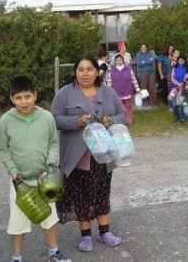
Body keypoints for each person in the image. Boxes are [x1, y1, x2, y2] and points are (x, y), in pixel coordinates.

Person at [50, 54, 127, 253]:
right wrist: (77, 122)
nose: (85, 74)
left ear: (97, 71)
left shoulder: (108, 92)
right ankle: (85, 236)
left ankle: (105, 231)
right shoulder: (65, 93)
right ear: (75, 72)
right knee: (81, 197)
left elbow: (123, 115)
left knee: (102, 194)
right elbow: (54, 119)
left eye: (89, 69)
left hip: (104, 155)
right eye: (81, 70)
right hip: (78, 157)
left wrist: (112, 120)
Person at [0, 76, 71, 262]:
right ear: (12, 99)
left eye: (28, 96)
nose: (24, 102)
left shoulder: (46, 117)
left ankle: (53, 252)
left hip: (44, 180)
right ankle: (16, 258)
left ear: (35, 95)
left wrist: (51, 162)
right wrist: (12, 168)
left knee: (50, 218)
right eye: (19, 98)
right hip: (19, 183)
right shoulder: (6, 120)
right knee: (17, 223)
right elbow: (2, 148)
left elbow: (54, 143)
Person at [107, 53, 140, 125]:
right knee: (119, 110)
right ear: (115, 61)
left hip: (127, 92)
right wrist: (108, 92)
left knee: (128, 108)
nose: (119, 62)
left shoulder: (128, 69)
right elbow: (109, 82)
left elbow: (134, 79)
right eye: (117, 60)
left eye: (120, 60)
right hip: (117, 93)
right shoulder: (111, 70)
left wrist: (137, 88)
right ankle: (121, 122)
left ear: (123, 61)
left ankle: (129, 121)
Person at [170, 55, 188, 122]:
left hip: (183, 88)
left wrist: (182, 83)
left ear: (184, 61)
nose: (181, 62)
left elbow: (187, 77)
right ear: (177, 61)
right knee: (174, 103)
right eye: (180, 60)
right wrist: (177, 84)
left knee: (182, 103)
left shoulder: (186, 68)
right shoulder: (174, 68)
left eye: (182, 60)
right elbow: (172, 77)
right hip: (175, 87)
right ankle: (176, 116)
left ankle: (182, 117)